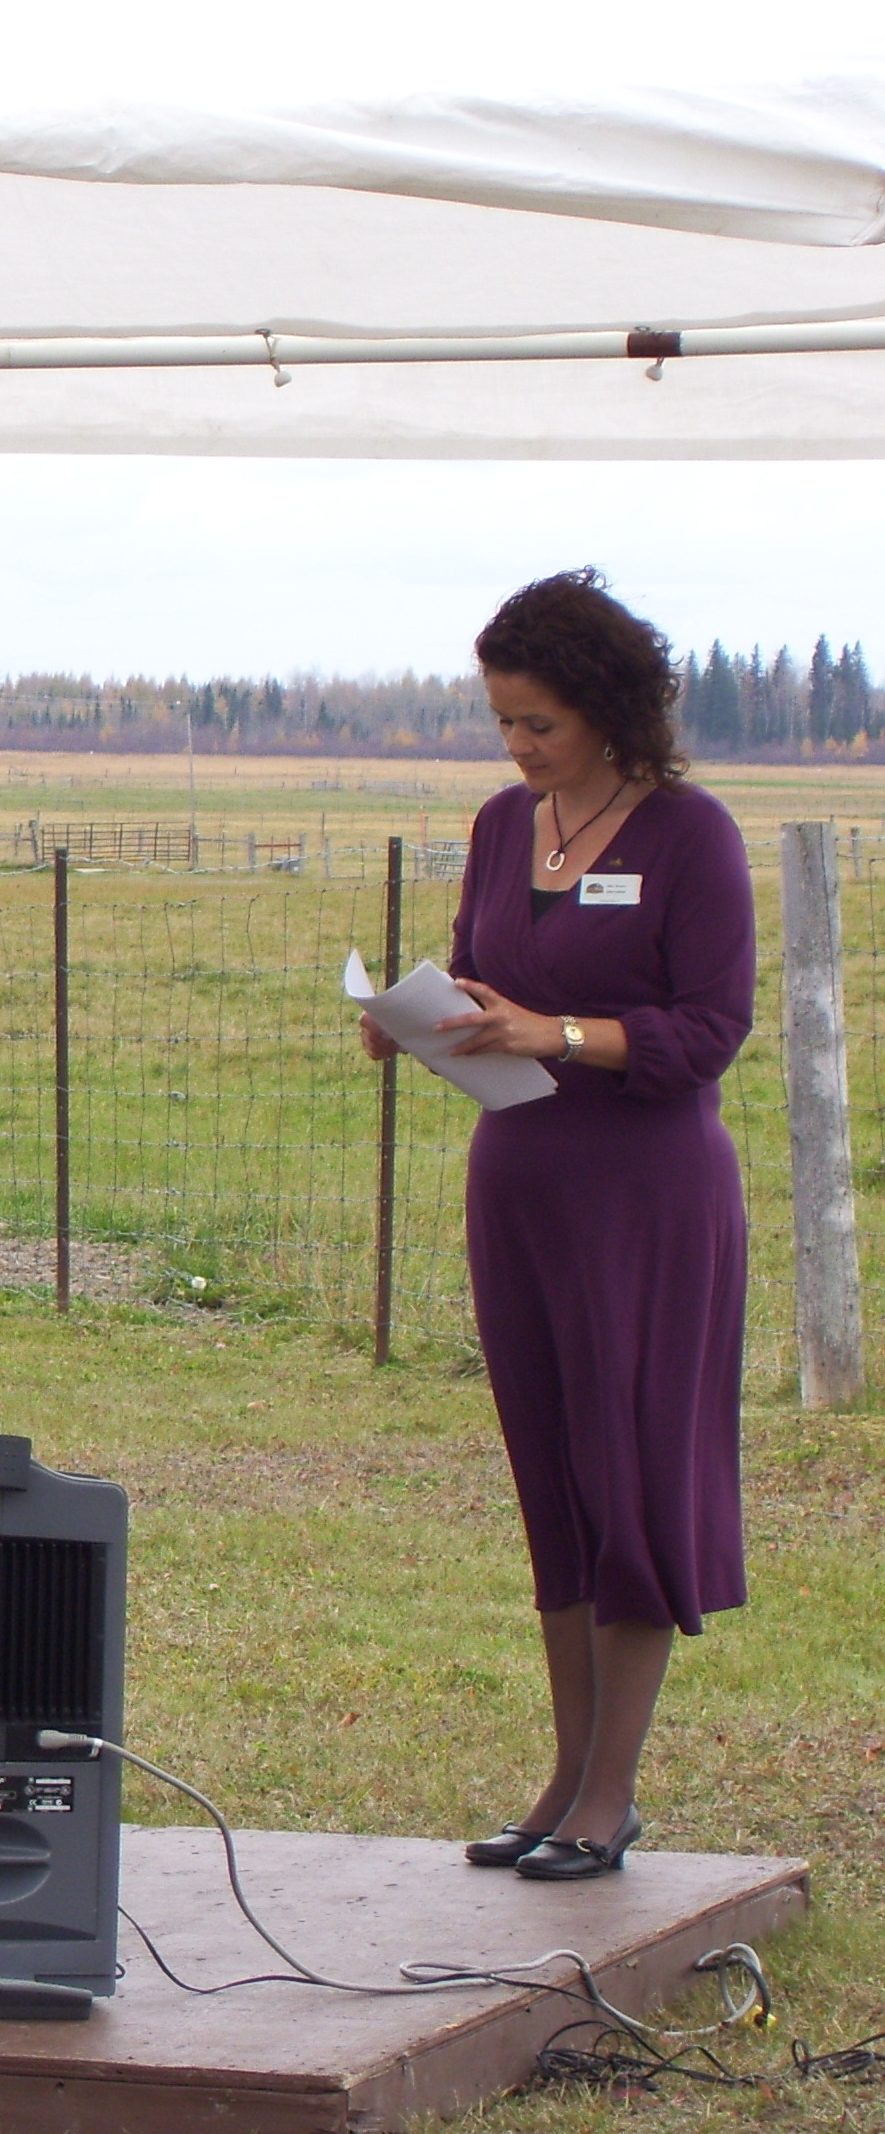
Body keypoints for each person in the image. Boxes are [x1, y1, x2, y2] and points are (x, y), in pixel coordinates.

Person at [360, 569, 752, 1882]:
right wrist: (430, 1014)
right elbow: (497, 982)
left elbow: (711, 1031)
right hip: (518, 1182)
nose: (516, 747)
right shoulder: (497, 825)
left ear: (605, 708)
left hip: (644, 1198)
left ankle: (612, 1795)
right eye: (502, 722)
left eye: (538, 724)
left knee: (634, 1480)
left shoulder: (690, 838)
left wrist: (561, 1035)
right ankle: (564, 1775)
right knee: (559, 1485)